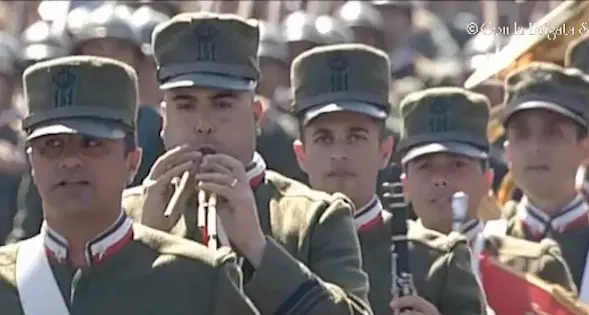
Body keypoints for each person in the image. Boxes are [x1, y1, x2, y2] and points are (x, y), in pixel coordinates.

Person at [122, 12, 372, 315]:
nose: (203, 124)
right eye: (185, 105)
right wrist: (142, 247)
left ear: (256, 116)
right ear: (164, 118)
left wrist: (259, 249)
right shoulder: (124, 214)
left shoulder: (314, 217)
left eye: (222, 104)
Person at [0, 56, 259, 315]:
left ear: (133, 161)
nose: (70, 161)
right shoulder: (6, 280)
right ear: (32, 161)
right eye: (52, 145)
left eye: (92, 144)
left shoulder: (201, 279)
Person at [290, 43, 486, 315]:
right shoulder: (273, 251)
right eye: (324, 139)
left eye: (356, 137)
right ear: (301, 154)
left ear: (385, 151)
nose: (339, 153)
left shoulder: (439, 261)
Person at [497, 63, 589, 301]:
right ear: (508, 151)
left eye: (553, 133)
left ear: (585, 147)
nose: (535, 148)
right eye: (521, 133)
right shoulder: (483, 246)